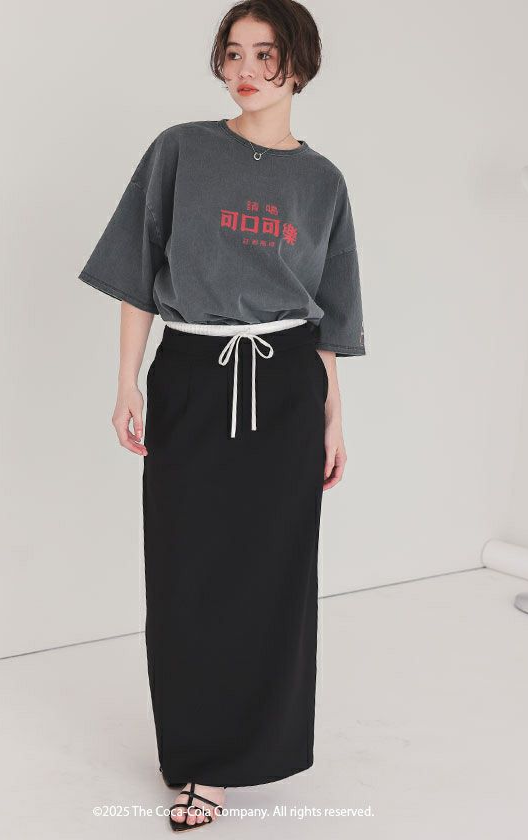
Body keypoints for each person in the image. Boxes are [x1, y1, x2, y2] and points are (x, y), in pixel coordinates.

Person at [78, 0, 366, 831]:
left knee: (274, 576)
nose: (245, 69)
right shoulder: (181, 150)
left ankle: (252, 753)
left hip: (287, 388)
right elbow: (137, 270)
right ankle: (199, 758)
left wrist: (333, 418)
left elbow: (327, 312)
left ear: (299, 64)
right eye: (233, 52)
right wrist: (127, 382)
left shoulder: (323, 182)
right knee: (186, 572)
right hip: (193, 376)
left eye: (265, 54)